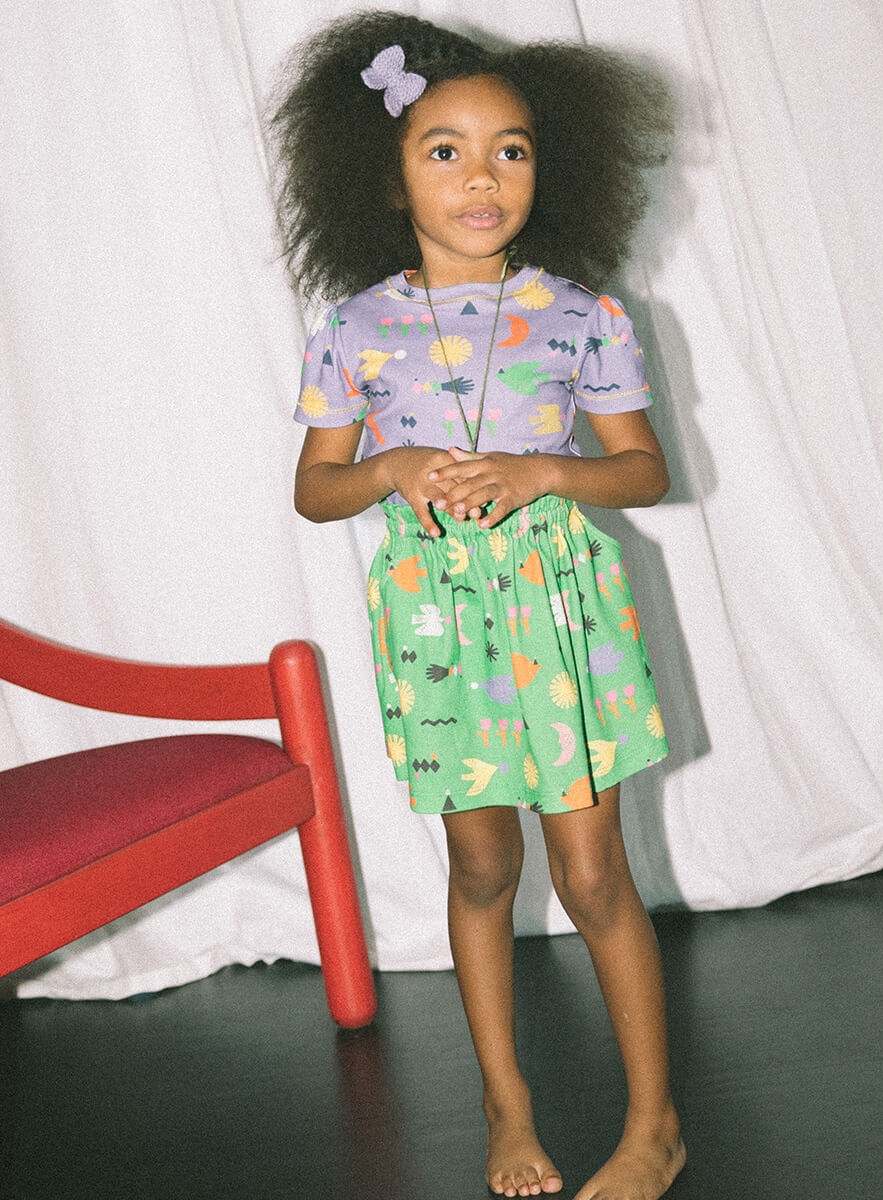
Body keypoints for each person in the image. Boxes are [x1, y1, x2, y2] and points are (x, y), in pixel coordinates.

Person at [273, 12, 684, 1198]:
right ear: (386, 177)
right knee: (483, 869)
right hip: (437, 627)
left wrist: (546, 471)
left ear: (549, 169)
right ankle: (507, 1108)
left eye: (511, 150)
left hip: (561, 614)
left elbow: (643, 471)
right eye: (444, 151)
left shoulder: (582, 315)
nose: (482, 178)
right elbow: (315, 491)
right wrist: (392, 468)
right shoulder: (354, 330)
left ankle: (654, 1124)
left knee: (594, 876)